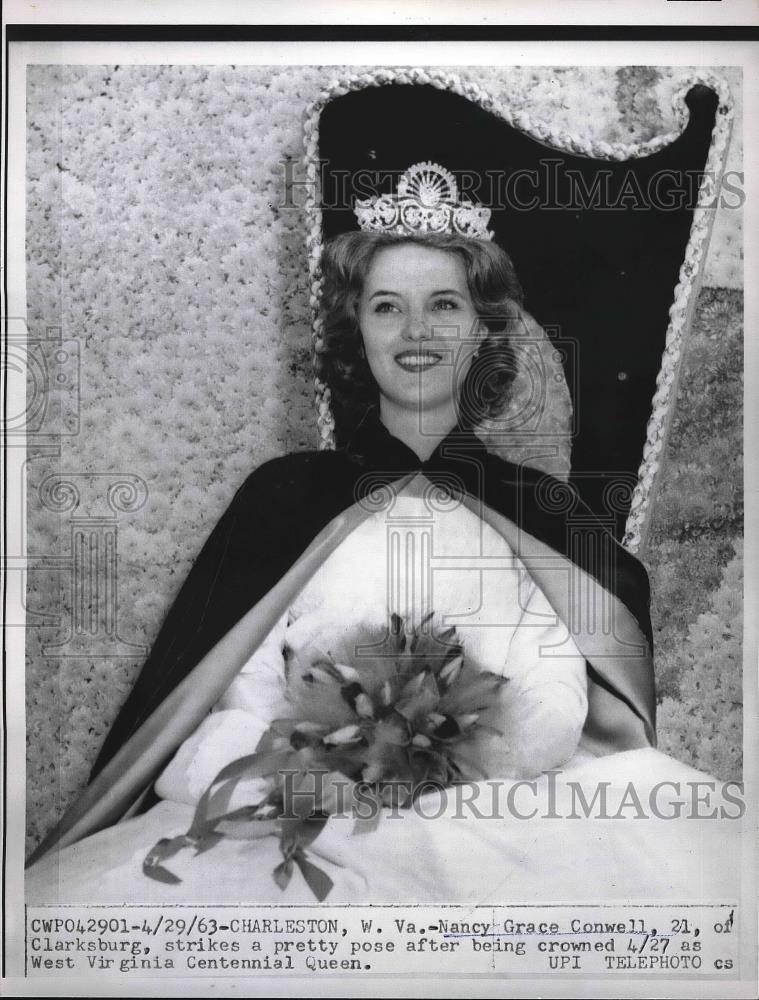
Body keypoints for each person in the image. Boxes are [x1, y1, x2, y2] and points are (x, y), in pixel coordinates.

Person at [25, 163, 738, 905]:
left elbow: (554, 692)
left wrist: (443, 763)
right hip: (306, 803)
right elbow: (239, 686)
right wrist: (319, 767)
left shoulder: (538, 508)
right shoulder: (290, 495)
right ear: (354, 325)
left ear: (481, 326)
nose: (417, 332)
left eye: (444, 305)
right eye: (387, 307)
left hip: (494, 807)